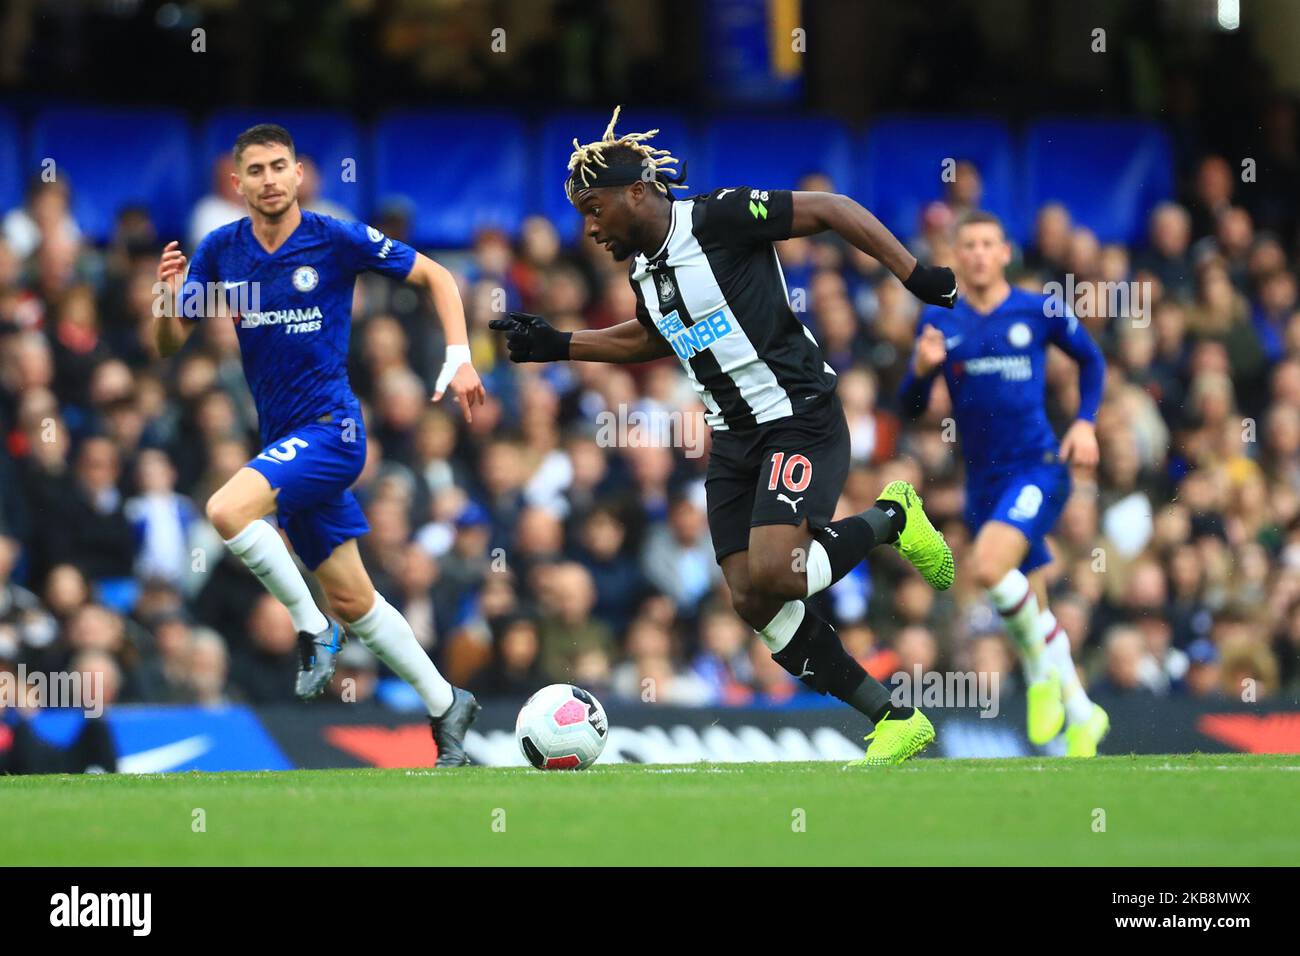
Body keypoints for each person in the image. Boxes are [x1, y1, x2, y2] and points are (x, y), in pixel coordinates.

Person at [490, 107, 957, 766]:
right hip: (733, 442)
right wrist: (561, 344)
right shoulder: (645, 272)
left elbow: (831, 206)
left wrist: (914, 275)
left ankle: (892, 516)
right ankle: (894, 718)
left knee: (779, 571)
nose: (588, 227)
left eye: (594, 209)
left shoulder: (719, 218)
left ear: (636, 192)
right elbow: (652, 337)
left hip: (799, 417)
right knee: (751, 599)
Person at [153, 124, 487, 766]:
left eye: (281, 166)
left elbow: (440, 277)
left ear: (299, 173)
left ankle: (310, 628)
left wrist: (460, 357)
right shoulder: (221, 249)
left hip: (333, 432)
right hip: (283, 443)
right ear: (237, 183)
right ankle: (447, 705)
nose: (271, 179)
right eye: (257, 170)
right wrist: (165, 302)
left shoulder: (334, 237)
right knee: (357, 600)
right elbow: (171, 342)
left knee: (226, 510)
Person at [899, 210, 1111, 756]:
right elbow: (909, 409)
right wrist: (921, 371)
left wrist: (1085, 422)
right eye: (966, 244)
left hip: (1038, 465)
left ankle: (1039, 675)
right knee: (1031, 606)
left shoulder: (1036, 309)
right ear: (955, 252)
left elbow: (1091, 360)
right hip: (983, 483)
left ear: (1003, 251)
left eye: (987, 243)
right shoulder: (942, 320)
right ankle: (1084, 714)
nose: (977, 253)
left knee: (989, 569)